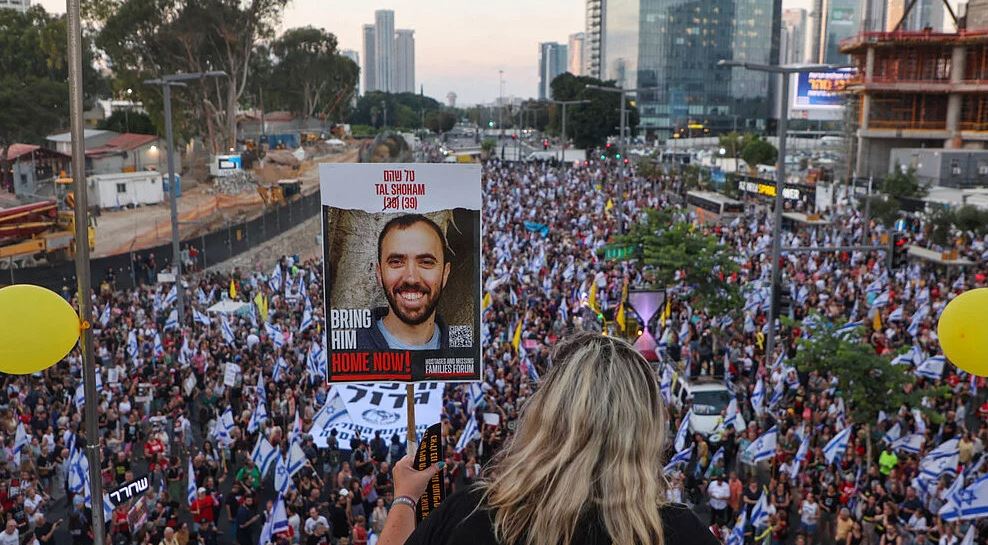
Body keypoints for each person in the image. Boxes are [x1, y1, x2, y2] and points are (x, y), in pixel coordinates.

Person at [376, 332, 721, 545]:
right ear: (647, 428)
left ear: (544, 413)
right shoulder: (681, 533)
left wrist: (405, 498)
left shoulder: (471, 516)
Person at [356, 214, 452, 350]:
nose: (411, 278)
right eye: (396, 262)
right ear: (379, 273)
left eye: (426, 262)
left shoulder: (467, 349)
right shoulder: (349, 349)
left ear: (445, 273)